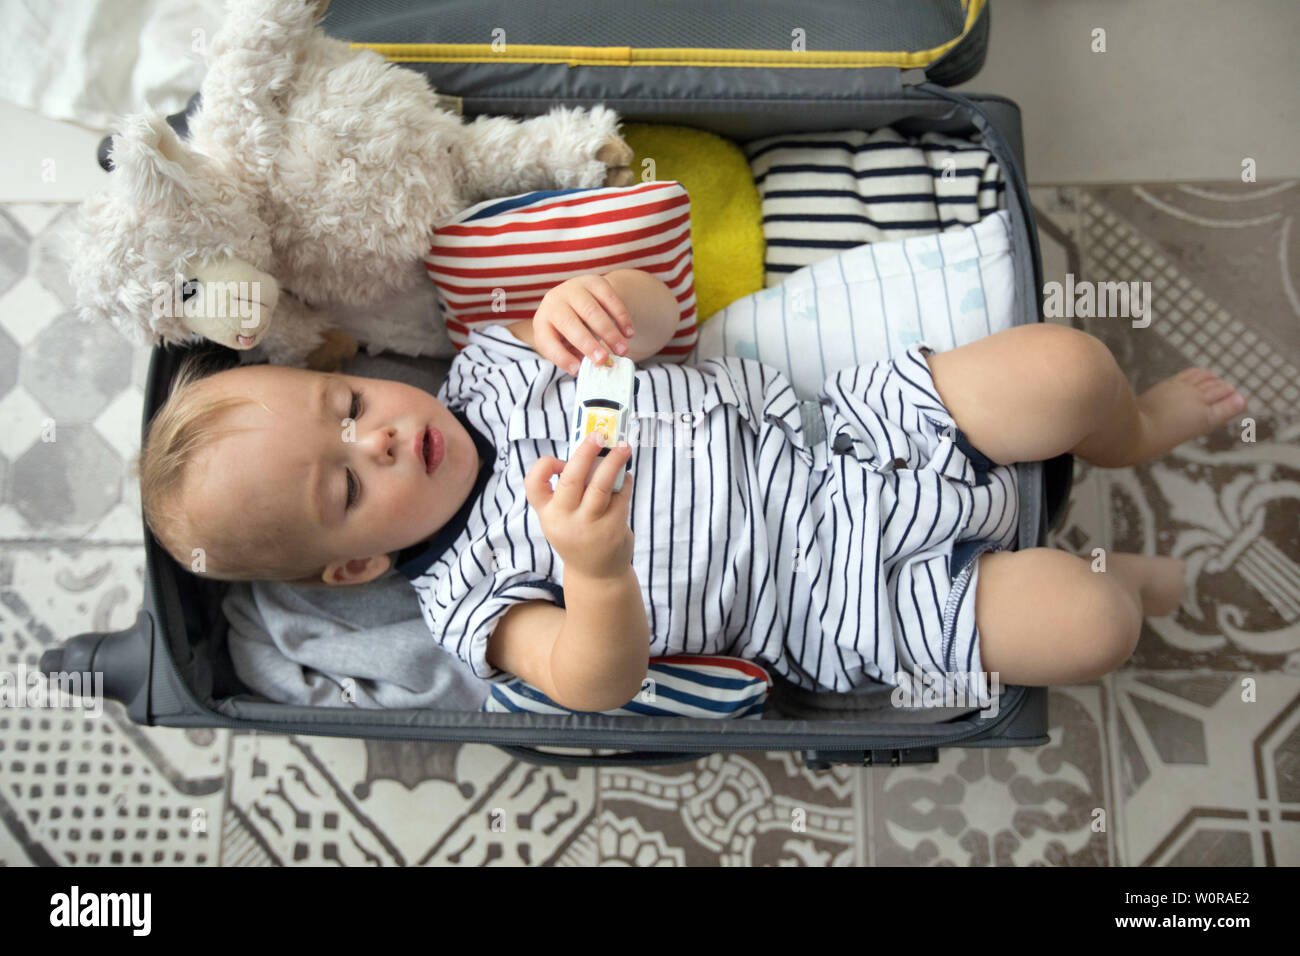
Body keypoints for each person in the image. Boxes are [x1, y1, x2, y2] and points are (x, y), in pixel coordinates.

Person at [137, 268, 1246, 711]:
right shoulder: (470, 597)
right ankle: (1122, 574)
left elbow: (662, 323)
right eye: (344, 485)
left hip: (839, 434)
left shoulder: (493, 364)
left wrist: (603, 305)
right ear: (355, 566)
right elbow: (589, 681)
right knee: (1088, 619)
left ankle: (1125, 434)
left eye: (350, 409)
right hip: (833, 599)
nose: (380, 440)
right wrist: (595, 571)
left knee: (1067, 367)